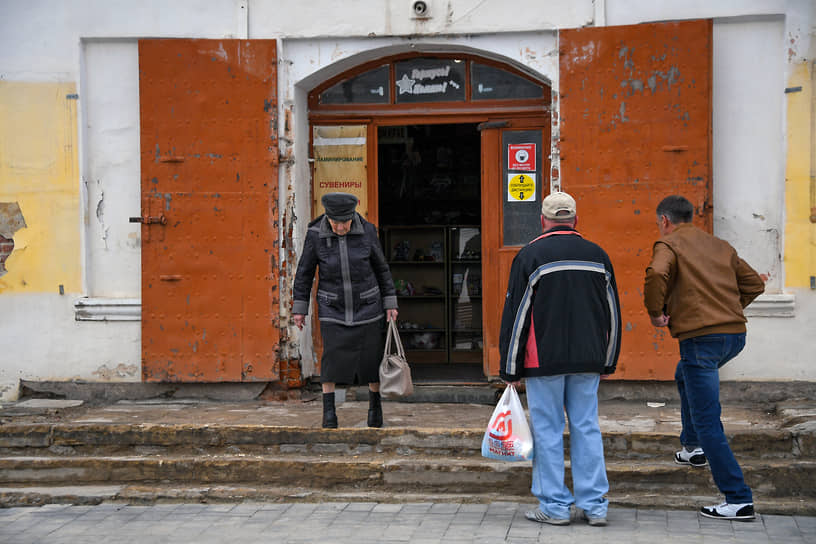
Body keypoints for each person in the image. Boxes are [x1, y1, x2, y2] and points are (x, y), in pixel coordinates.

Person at [499, 191, 621, 527]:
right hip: (587, 360)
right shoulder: (598, 256)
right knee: (587, 427)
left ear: (542, 221)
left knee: (548, 431)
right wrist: (608, 361)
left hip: (544, 362)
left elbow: (517, 315)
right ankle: (595, 506)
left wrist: (510, 368)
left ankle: (554, 507)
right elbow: (612, 313)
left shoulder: (530, 255)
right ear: (576, 220)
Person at [644, 195, 765, 521]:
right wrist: (730, 310)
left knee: (709, 420)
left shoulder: (668, 244)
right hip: (734, 337)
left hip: (701, 341)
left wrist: (656, 313)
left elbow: (656, 275)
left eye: (659, 223)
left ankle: (738, 499)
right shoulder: (720, 245)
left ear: (665, 221)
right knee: (685, 375)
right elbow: (754, 284)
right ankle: (692, 447)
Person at [292, 193, 398, 429]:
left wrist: (390, 302)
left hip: (368, 305)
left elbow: (382, 269)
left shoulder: (368, 231)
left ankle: (375, 407)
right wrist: (300, 308)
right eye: (335, 222)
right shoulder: (315, 234)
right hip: (333, 307)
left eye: (345, 222)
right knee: (331, 361)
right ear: (327, 217)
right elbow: (304, 273)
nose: (340, 227)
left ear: (352, 216)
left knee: (371, 361)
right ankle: (329, 412)